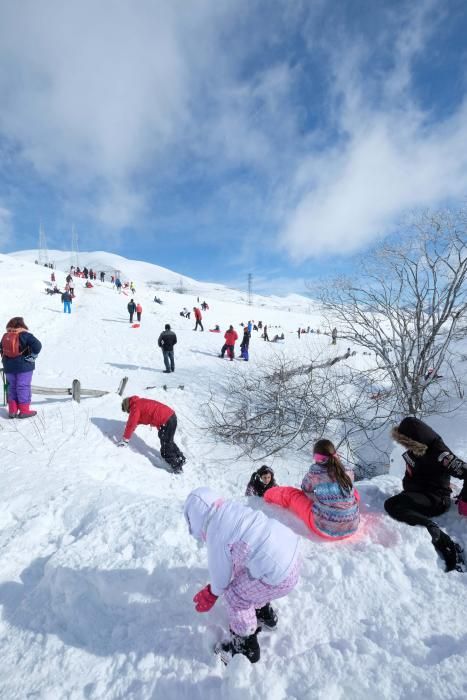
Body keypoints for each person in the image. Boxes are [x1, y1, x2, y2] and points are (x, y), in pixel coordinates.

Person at [184, 487, 301, 664]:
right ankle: (264, 613)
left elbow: (220, 576)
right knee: (244, 571)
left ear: (196, 520)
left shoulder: (216, 531)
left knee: (234, 594)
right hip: (290, 556)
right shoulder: (232, 510)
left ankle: (245, 647)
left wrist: (212, 592)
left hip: (278, 575)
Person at [385, 417, 466, 571]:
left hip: (436, 500)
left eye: (406, 442)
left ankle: (444, 541)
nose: (404, 446)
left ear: (414, 440)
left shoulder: (440, 452)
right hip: (420, 493)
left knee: (393, 505)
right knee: (397, 503)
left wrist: (464, 498)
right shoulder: (416, 447)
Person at [263, 439, 360, 539]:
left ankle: (268, 493)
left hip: (323, 527)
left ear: (317, 457)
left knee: (293, 495)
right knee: (352, 491)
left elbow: (305, 490)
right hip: (352, 527)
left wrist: (320, 494)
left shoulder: (315, 474)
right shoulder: (347, 470)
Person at [118, 396, 186, 472]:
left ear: (127, 407)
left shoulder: (135, 407)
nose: (129, 413)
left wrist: (125, 440)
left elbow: (131, 424)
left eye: (128, 411)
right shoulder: (140, 402)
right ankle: (180, 458)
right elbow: (149, 414)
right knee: (168, 441)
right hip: (171, 416)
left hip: (166, 420)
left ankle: (176, 466)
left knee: (165, 448)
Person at [0, 317, 42, 418]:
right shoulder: (25, 335)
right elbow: (38, 346)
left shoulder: (5, 336)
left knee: (12, 387)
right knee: (23, 387)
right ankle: (24, 411)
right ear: (21, 325)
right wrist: (31, 356)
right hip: (24, 366)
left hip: (8, 366)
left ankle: (12, 411)